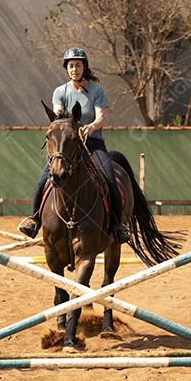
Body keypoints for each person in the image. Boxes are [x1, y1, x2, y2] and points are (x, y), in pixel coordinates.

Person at [18, 47, 131, 244]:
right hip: (67, 145)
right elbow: (59, 115)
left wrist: (91, 127)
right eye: (71, 66)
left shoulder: (97, 91)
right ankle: (35, 220)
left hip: (93, 143)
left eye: (78, 65)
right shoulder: (60, 92)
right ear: (67, 69)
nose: (74, 69)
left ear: (84, 67)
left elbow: (101, 117)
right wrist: (67, 127)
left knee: (110, 180)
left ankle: (117, 225)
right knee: (42, 181)